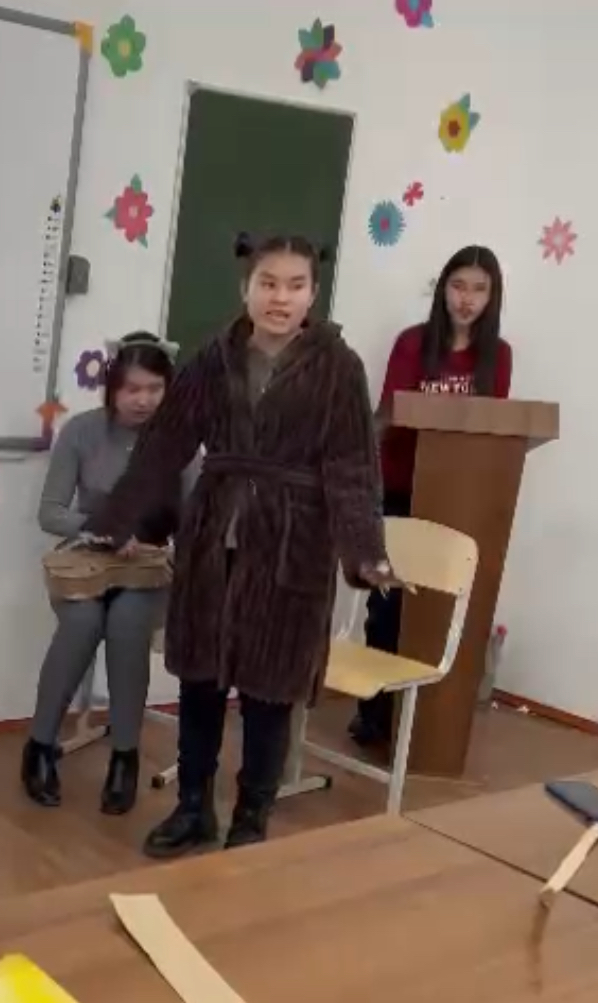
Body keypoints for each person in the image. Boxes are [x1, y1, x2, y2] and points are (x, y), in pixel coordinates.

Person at [87, 234, 397, 856]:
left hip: (292, 543)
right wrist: (117, 520)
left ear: (312, 294)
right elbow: (166, 443)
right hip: (213, 536)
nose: (281, 298)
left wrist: (366, 551)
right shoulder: (214, 357)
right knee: (200, 681)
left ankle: (252, 819)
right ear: (246, 289)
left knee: (269, 689)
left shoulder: (339, 367)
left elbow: (352, 467)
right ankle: (192, 809)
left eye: (295, 285)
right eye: (268, 283)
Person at [349, 245, 512, 748]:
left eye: (479, 289)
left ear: (492, 297)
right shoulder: (413, 343)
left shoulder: (499, 355)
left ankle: (426, 724)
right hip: (401, 487)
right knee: (389, 608)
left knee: (441, 613)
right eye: (459, 286)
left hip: (460, 498)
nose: (467, 299)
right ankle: (375, 715)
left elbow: (494, 428)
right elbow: (391, 413)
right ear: (443, 288)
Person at [22, 332, 174, 815]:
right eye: (132, 389)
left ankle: (125, 756)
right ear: (112, 389)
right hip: (86, 560)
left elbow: (197, 518)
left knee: (128, 623)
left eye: (154, 389)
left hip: (148, 566)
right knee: (83, 621)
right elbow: (50, 512)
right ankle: (40, 745)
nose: (144, 400)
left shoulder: (180, 440)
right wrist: (103, 528)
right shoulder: (82, 431)